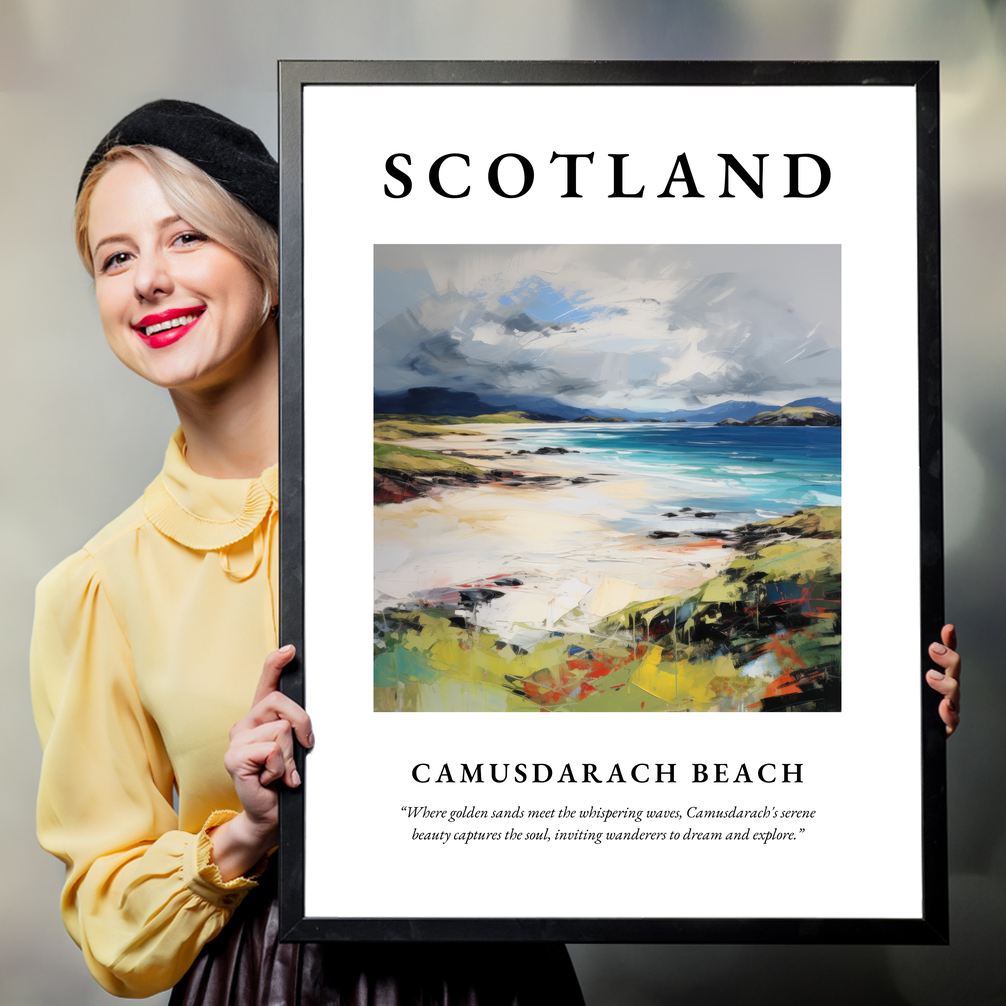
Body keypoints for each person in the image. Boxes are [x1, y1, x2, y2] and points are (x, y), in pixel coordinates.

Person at [30, 100, 586, 1004]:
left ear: (273, 262)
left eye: (186, 237)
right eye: (115, 258)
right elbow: (110, 925)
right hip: (263, 981)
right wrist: (246, 833)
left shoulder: (448, 500)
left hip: (490, 972)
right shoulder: (98, 586)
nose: (149, 281)